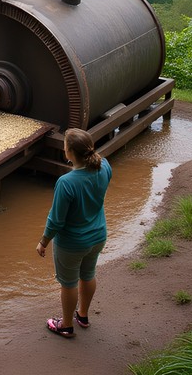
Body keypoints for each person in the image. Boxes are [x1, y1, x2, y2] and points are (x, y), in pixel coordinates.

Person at [36, 128, 112, 339]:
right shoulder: (104, 166)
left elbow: (56, 220)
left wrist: (43, 241)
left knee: (68, 283)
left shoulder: (66, 182)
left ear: (69, 152)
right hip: (98, 236)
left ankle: (66, 325)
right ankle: (83, 316)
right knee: (88, 275)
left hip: (72, 243)